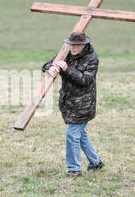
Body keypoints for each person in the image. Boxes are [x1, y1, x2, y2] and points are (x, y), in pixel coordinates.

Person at [42, 31, 104, 178]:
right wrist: (50, 67)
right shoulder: (66, 54)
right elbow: (47, 63)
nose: (72, 48)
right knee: (80, 135)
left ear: (83, 45)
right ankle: (95, 163)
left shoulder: (92, 59)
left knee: (72, 134)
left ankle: (74, 169)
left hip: (84, 104)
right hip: (68, 102)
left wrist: (66, 69)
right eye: (71, 44)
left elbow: (85, 81)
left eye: (76, 45)